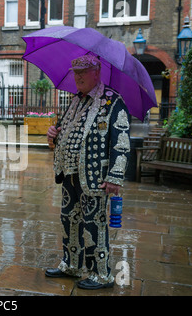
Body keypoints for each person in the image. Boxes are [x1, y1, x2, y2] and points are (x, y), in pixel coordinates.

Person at [45, 54, 131, 290]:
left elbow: (121, 141)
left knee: (94, 223)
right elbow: (65, 131)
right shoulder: (76, 100)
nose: (78, 77)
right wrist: (53, 134)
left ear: (97, 72)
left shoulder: (112, 101)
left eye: (83, 72)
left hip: (95, 176)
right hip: (70, 173)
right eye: (76, 72)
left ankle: (101, 274)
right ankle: (71, 264)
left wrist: (115, 176)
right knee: (69, 219)